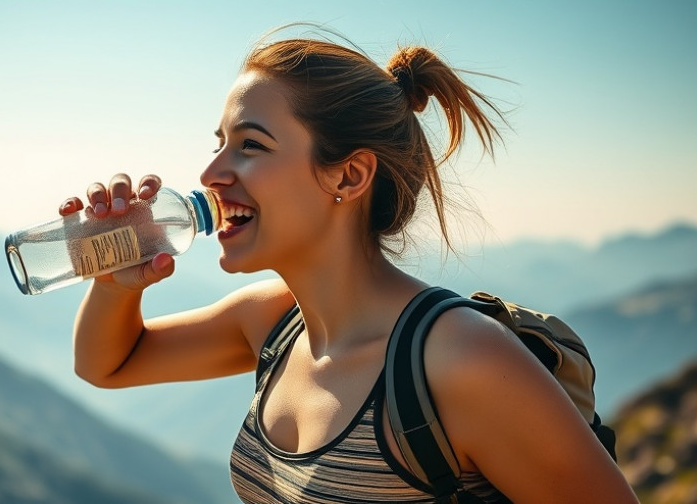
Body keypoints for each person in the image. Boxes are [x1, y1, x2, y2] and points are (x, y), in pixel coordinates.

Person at [58, 29, 638, 503]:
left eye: (251, 145)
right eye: (219, 142)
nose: (211, 172)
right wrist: (116, 284)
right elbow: (107, 365)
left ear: (349, 175)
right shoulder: (273, 323)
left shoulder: (459, 359)